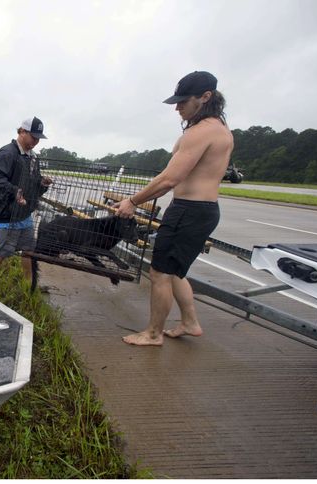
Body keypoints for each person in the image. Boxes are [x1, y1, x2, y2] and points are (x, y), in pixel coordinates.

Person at [114, 71, 234, 346]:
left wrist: (132, 202)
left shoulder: (202, 131)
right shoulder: (219, 130)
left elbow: (170, 179)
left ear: (205, 97)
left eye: (183, 101)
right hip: (201, 209)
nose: (178, 107)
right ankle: (190, 322)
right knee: (175, 271)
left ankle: (153, 334)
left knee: (159, 273)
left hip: (189, 210)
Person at [0, 117, 53, 295]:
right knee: (0, 250)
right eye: (33, 137)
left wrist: (42, 184)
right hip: (3, 214)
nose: (36, 141)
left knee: (28, 249)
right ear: (21, 132)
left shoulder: (33, 158)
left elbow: (33, 184)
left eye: (38, 138)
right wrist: (15, 192)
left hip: (23, 214)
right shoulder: (7, 153)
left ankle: (29, 283)